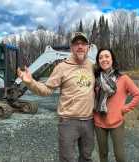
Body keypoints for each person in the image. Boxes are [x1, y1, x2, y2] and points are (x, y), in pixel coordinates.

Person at [17, 32, 95, 162]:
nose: (80, 46)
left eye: (83, 44)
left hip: (89, 121)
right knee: (67, 159)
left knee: (86, 157)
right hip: (69, 122)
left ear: (88, 47)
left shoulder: (92, 66)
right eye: (76, 44)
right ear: (71, 48)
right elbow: (47, 90)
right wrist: (30, 82)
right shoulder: (62, 67)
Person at [94, 49, 139, 162]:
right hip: (99, 122)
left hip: (116, 123)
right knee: (103, 154)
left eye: (107, 56)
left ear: (112, 59)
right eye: (100, 57)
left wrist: (125, 108)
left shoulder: (123, 79)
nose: (104, 59)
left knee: (119, 156)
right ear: (98, 61)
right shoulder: (96, 79)